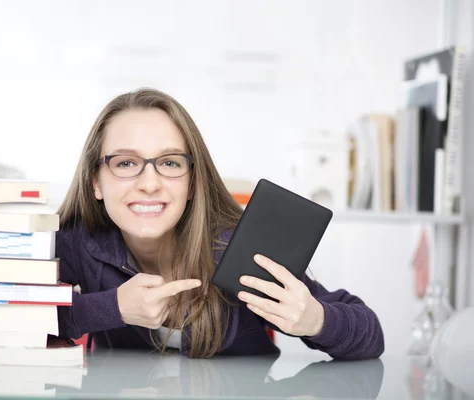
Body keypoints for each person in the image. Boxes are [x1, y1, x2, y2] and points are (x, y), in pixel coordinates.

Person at [56, 88, 385, 359]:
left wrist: (315, 319)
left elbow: (370, 335)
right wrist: (110, 307)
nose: (150, 183)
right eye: (126, 162)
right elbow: (13, 322)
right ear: (96, 182)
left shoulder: (238, 245)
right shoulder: (78, 241)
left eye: (170, 162)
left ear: (191, 182)